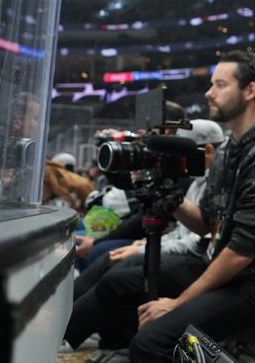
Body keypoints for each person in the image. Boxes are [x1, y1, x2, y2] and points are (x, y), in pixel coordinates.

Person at [64, 50, 255, 363]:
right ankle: (66, 334)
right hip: (223, 264)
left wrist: (177, 303)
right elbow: (206, 223)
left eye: (219, 84)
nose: (209, 92)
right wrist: (174, 200)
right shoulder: (230, 148)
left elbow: (242, 251)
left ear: (250, 91)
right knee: (119, 280)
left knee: (152, 342)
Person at [71, 119, 225, 301]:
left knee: (110, 269)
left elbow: (199, 237)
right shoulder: (196, 184)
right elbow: (181, 232)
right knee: (105, 261)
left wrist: (139, 249)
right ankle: (68, 310)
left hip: (192, 258)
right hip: (167, 244)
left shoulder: (203, 183)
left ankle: (68, 318)